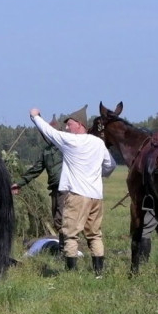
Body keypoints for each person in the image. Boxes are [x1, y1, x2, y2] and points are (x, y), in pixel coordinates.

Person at [29, 105, 116, 277]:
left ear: (79, 124)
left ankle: (71, 274)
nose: (67, 128)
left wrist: (35, 117)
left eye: (69, 124)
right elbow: (110, 165)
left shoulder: (71, 141)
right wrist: (99, 174)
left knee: (70, 234)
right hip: (96, 197)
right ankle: (98, 274)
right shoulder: (98, 143)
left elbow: (50, 132)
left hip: (77, 195)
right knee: (95, 235)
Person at [12, 120, 65, 251]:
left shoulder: (65, 147)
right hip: (54, 189)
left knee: (61, 219)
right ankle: (65, 248)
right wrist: (19, 183)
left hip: (66, 188)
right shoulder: (46, 152)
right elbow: (36, 169)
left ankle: (67, 251)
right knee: (57, 220)